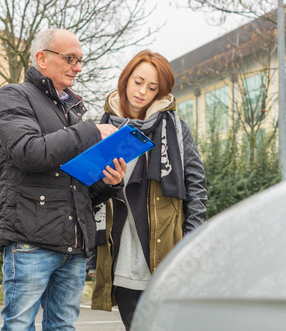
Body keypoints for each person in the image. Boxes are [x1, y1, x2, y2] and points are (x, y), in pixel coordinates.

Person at [0, 28, 127, 331]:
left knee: (63, 327)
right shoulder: (13, 96)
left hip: (74, 246)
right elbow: (29, 152)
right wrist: (90, 131)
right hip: (30, 241)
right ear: (42, 58)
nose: (77, 67)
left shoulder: (72, 114)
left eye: (80, 60)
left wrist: (110, 181)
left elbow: (80, 190)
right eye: (70, 58)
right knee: (19, 326)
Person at [88, 50, 207, 329]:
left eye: (152, 88)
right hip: (121, 257)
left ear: (159, 93)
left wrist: (190, 241)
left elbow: (196, 185)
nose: (142, 92)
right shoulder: (103, 129)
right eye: (138, 82)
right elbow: (90, 194)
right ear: (126, 79)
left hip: (165, 252)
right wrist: (94, 258)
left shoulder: (174, 128)